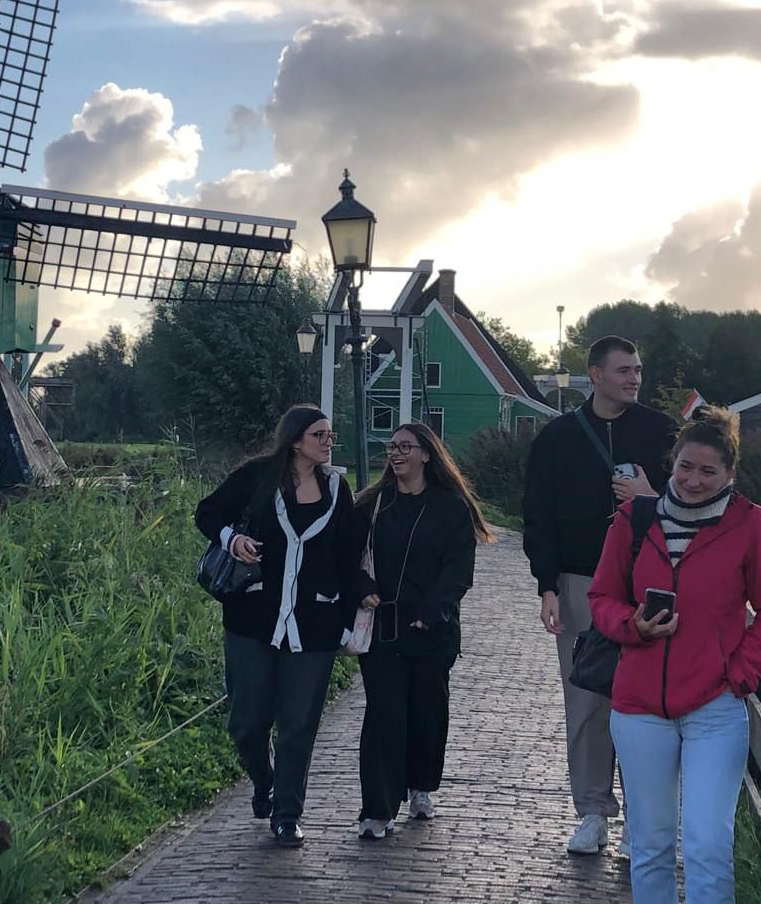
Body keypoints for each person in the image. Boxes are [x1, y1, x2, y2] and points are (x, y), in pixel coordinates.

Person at [588, 408, 761, 904]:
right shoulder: (635, 520)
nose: (695, 480)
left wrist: (737, 675)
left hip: (713, 710)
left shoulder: (750, 525)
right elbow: (601, 599)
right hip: (640, 707)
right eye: (685, 466)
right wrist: (632, 627)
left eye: (709, 470)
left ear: (730, 472)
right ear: (669, 464)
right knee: (650, 842)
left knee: (707, 845)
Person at [522, 336, 677, 855]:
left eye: (638, 369)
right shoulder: (557, 439)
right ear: (595, 374)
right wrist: (546, 585)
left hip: (648, 586)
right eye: (623, 370)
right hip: (580, 582)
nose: (634, 378)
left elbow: (697, 502)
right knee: (587, 699)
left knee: (644, 703)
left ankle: (641, 817)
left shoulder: (663, 434)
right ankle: (591, 812)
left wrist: (650, 498)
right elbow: (538, 516)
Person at [195, 405, 365, 848]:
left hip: (315, 624)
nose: (328, 442)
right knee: (247, 721)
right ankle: (263, 778)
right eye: (319, 435)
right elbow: (207, 512)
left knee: (299, 722)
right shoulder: (256, 477)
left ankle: (287, 813)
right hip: (252, 620)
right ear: (294, 440)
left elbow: (348, 557)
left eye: (330, 435)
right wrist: (233, 539)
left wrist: (346, 620)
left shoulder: (335, 488)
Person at [353, 422, 492, 840]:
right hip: (383, 629)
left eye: (406, 447)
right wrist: (362, 587)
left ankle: (421, 786)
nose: (396, 454)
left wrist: (434, 609)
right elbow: (347, 557)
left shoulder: (451, 508)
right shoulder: (373, 505)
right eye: (392, 447)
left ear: (427, 455)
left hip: (433, 630)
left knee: (426, 713)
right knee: (384, 715)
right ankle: (378, 809)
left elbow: (458, 568)